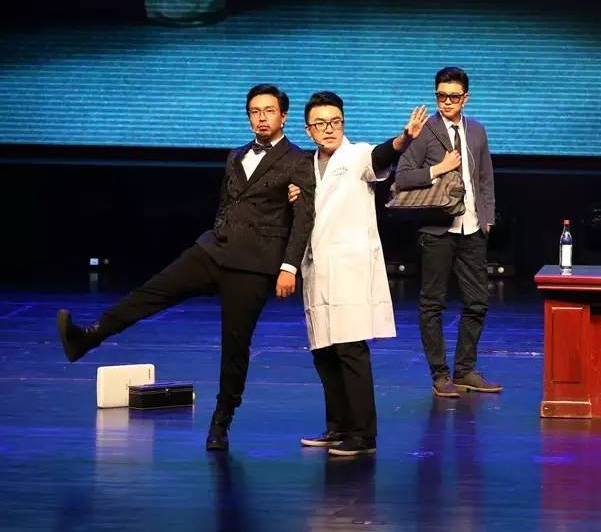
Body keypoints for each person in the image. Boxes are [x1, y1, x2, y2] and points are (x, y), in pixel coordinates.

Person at [56, 84, 315, 451]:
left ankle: (221, 420)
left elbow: (303, 218)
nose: (261, 118)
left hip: (255, 262)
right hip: (213, 249)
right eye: (255, 111)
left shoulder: (298, 160)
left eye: (269, 111)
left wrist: (288, 266)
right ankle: (88, 337)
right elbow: (226, 203)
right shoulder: (236, 154)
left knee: (235, 344)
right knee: (151, 293)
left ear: (283, 116)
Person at [291, 91, 428, 457]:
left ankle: (364, 435)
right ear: (308, 130)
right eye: (321, 123)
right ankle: (337, 426)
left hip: (349, 267)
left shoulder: (356, 156)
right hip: (317, 267)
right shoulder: (304, 166)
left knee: (350, 349)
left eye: (335, 121)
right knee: (324, 352)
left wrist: (404, 139)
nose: (329, 129)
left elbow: (382, 155)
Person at [394, 66, 500, 397]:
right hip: (437, 230)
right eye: (442, 96)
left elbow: (485, 178)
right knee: (433, 304)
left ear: (465, 98)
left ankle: (464, 370)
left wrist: (487, 217)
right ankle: (440, 375)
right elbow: (402, 176)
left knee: (477, 302)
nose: (447, 102)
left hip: (472, 228)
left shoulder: (477, 130)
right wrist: (439, 168)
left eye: (454, 96)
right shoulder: (426, 130)